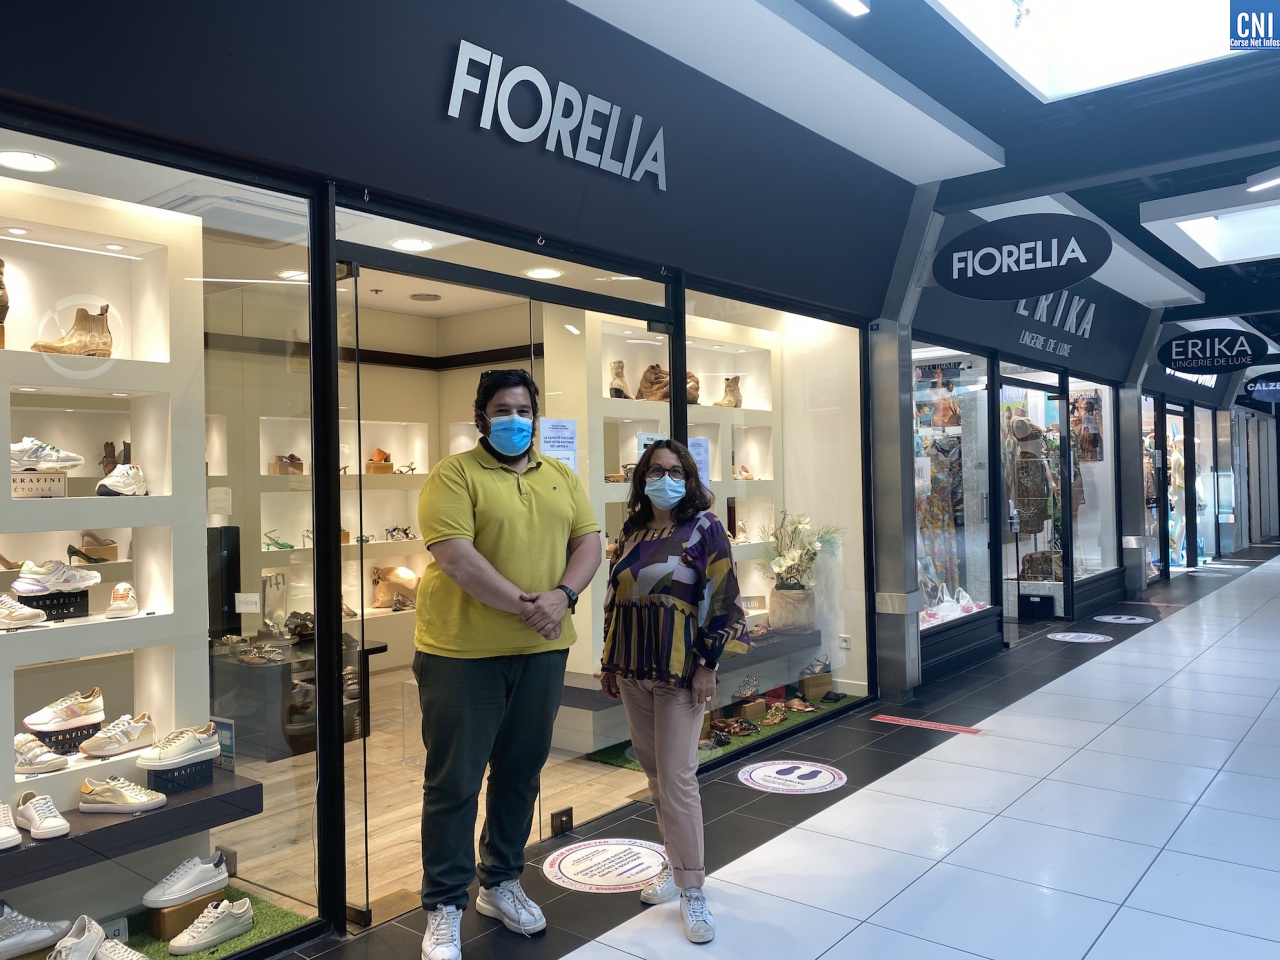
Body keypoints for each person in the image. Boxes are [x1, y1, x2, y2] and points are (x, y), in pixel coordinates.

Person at [414, 369, 602, 960]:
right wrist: (530, 606)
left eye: (524, 410)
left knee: (521, 772)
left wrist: (563, 596)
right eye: (502, 410)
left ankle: (500, 882)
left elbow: (589, 542)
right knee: (455, 781)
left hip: (542, 652)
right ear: (481, 418)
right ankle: (445, 904)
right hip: (461, 653)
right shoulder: (454, 475)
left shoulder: (560, 476)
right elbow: (456, 558)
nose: (515, 420)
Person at [599, 439, 746, 944]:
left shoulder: (706, 528)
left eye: (676, 470)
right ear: (642, 478)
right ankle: (675, 863)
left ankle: (692, 888)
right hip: (633, 669)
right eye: (656, 470)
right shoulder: (631, 530)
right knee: (657, 777)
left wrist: (708, 664)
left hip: (681, 671)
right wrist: (609, 660)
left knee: (679, 779)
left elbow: (726, 601)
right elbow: (614, 599)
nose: (666, 478)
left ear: (689, 477)